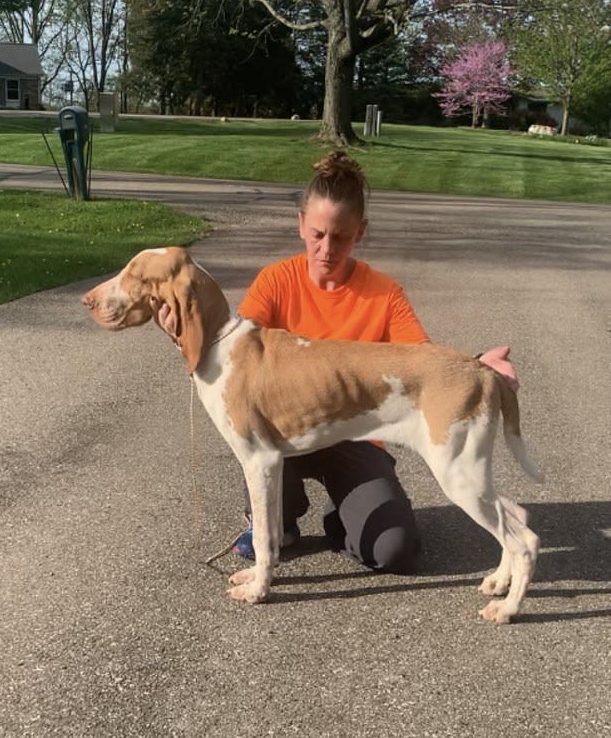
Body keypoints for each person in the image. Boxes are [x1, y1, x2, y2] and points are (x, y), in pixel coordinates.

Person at [162, 150, 517, 572]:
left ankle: (343, 516)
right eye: (317, 234)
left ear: (360, 232)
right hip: (287, 430)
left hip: (356, 436)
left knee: (395, 550)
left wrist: (474, 367)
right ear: (300, 226)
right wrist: (181, 332)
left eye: (341, 237)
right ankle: (278, 524)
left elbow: (422, 364)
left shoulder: (384, 292)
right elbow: (234, 360)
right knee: (260, 452)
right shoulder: (276, 281)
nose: (326, 249)